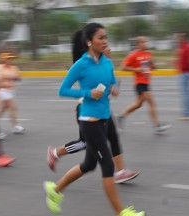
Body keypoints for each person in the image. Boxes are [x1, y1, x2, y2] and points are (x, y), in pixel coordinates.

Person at [43, 23, 145, 216]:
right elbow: (63, 90)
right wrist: (87, 93)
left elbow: (112, 81)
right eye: (100, 37)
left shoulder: (107, 62)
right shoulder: (81, 65)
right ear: (89, 41)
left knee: (88, 165)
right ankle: (121, 213)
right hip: (89, 122)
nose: (105, 41)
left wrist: (114, 88)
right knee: (107, 165)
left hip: (104, 119)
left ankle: (55, 191)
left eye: (105, 37)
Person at [47, 47, 140, 184]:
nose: (108, 50)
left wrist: (115, 88)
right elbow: (66, 90)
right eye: (105, 48)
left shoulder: (107, 65)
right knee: (84, 144)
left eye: (108, 47)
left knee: (113, 138)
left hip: (103, 111)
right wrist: (89, 93)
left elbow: (113, 86)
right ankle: (56, 153)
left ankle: (121, 172)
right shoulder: (87, 65)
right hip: (86, 110)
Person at [117, 36, 171, 133]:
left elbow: (154, 68)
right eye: (143, 42)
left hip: (146, 82)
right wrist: (136, 69)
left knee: (138, 104)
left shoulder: (148, 54)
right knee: (151, 102)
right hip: (140, 83)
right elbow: (123, 67)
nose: (146, 44)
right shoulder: (134, 55)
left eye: (146, 42)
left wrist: (152, 63)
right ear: (138, 44)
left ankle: (121, 116)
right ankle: (157, 125)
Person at [0, 52, 25, 134]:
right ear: (3, 59)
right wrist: (6, 77)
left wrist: (16, 77)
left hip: (11, 90)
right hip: (2, 90)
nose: (10, 60)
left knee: (2, 109)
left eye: (11, 59)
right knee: (13, 106)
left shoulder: (14, 67)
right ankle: (16, 126)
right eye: (8, 59)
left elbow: (19, 78)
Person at [175, 32, 189, 120]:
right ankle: (187, 112)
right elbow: (180, 58)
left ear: (184, 37)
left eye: (179, 37)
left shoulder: (188, 46)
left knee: (187, 94)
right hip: (183, 72)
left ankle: (188, 114)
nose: (178, 39)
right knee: (186, 93)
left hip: (186, 73)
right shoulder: (182, 46)